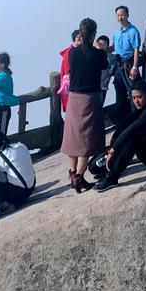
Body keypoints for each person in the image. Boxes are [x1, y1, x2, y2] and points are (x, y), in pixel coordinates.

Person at [62, 18, 108, 193]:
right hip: (90, 98)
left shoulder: (72, 53)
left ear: (79, 33)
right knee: (87, 139)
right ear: (94, 34)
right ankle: (79, 177)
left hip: (74, 98)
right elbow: (104, 65)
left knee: (74, 137)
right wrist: (98, 47)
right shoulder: (98, 54)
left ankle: (73, 173)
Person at [0, 130, 35, 206]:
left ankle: (4, 205)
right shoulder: (21, 145)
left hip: (20, 193)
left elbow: (2, 179)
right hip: (32, 186)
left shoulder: (1, 156)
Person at [112, 5, 142, 116]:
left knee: (133, 92)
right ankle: (122, 119)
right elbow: (114, 47)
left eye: (122, 15)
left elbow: (136, 50)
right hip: (118, 66)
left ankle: (136, 116)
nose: (120, 17)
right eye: (118, 15)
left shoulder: (133, 31)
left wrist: (135, 67)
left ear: (127, 15)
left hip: (129, 65)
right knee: (119, 91)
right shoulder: (116, 33)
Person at [59, 30, 81, 113]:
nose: (80, 38)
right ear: (74, 38)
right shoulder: (67, 53)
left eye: (81, 37)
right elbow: (64, 71)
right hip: (71, 85)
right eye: (78, 36)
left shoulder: (83, 50)